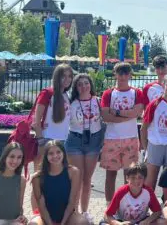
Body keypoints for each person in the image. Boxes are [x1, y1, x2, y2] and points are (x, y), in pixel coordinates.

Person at [100, 62, 146, 204]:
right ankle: (109, 205)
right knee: (111, 174)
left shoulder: (137, 92)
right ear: (115, 74)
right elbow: (106, 116)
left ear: (130, 75)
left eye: (126, 73)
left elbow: (137, 113)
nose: (123, 76)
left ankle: (128, 204)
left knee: (130, 174)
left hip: (131, 138)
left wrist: (117, 112)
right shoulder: (108, 93)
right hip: (112, 139)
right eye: (120, 73)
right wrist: (128, 115)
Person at [30, 64, 73, 209]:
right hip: (47, 140)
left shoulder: (66, 95)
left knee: (55, 179)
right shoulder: (48, 93)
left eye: (69, 76)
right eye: (63, 76)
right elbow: (36, 120)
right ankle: (36, 213)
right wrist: (41, 140)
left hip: (62, 142)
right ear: (57, 76)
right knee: (39, 180)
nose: (67, 79)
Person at [64, 73, 103, 223]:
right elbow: (61, 119)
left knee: (87, 179)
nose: (83, 86)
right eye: (80, 84)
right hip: (75, 141)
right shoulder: (71, 103)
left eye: (86, 83)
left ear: (90, 85)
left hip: (93, 141)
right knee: (77, 178)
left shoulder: (97, 101)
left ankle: (85, 211)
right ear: (76, 87)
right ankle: (74, 212)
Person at [141, 74, 167, 189]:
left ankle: (166, 206)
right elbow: (144, 128)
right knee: (150, 181)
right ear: (163, 86)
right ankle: (146, 206)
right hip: (155, 145)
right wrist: (146, 149)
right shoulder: (155, 104)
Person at [29, 140, 87, 225]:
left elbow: (71, 201)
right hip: (45, 217)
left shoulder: (73, 172)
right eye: (51, 153)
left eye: (58, 152)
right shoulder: (37, 178)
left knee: (84, 222)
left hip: (68, 216)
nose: (55, 156)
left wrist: (63, 223)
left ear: (63, 153)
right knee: (33, 224)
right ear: (46, 156)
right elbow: (42, 206)